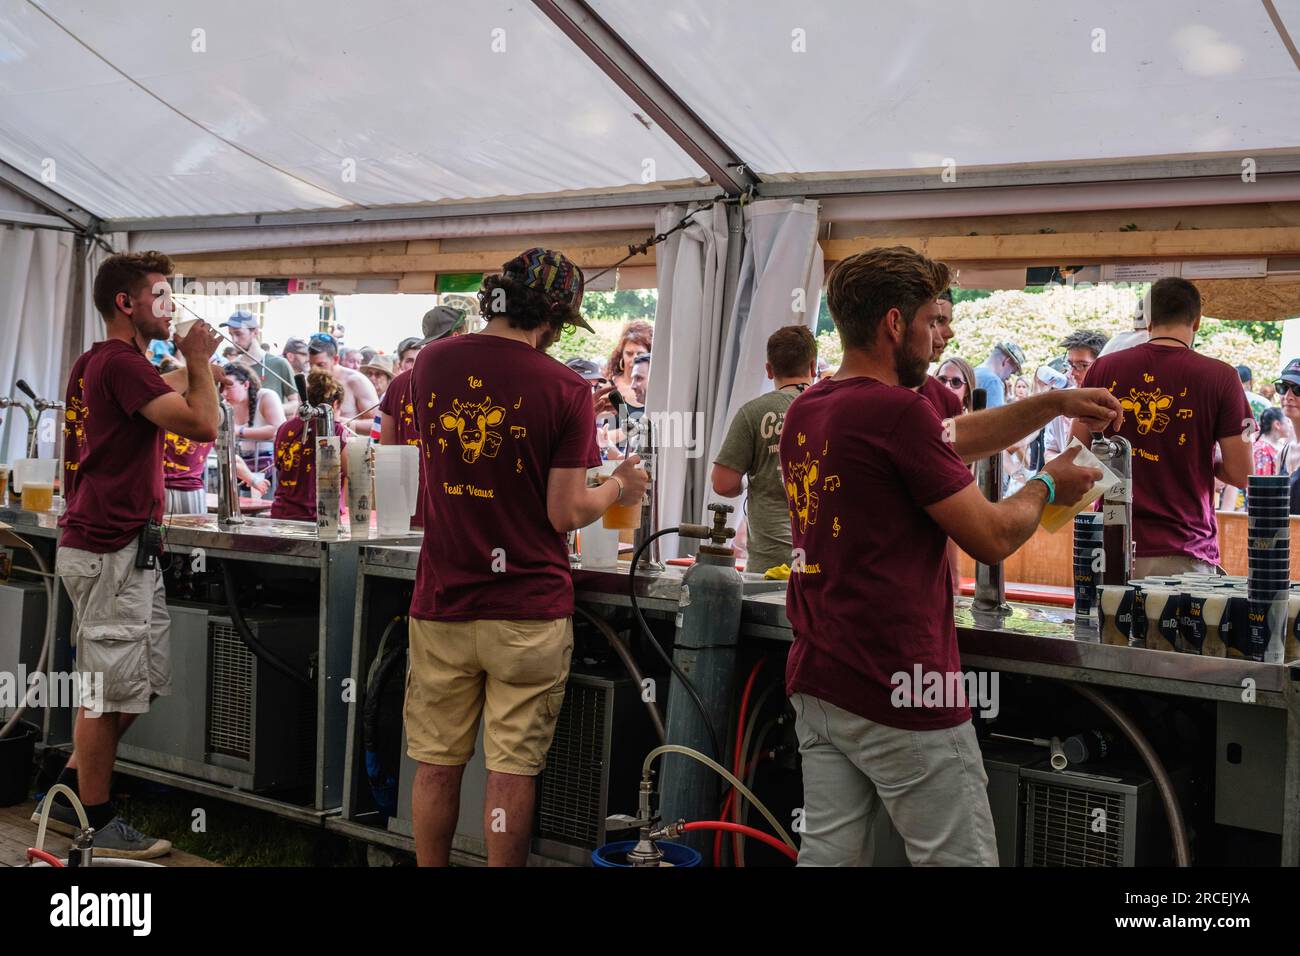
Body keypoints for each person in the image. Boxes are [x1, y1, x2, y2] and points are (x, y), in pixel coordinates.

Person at [780, 246, 1106, 867]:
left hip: (821, 675)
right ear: (895, 324)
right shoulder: (898, 412)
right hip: (903, 679)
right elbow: (990, 537)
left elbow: (952, 437)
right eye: (936, 320)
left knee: (829, 856)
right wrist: (1047, 484)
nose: (948, 333)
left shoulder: (809, 408)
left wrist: (1054, 405)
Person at [405, 247, 647, 867]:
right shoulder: (565, 386)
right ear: (555, 318)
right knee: (509, 772)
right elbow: (565, 512)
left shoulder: (431, 361)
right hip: (527, 611)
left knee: (436, 763)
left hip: (442, 601)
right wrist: (620, 485)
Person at [46, 251, 222, 858]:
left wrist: (195, 369)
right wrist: (198, 362)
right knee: (106, 691)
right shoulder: (119, 363)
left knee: (138, 685)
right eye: (161, 295)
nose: (170, 307)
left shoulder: (108, 362)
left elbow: (167, 392)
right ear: (127, 303)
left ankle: (69, 787)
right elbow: (201, 424)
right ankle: (97, 822)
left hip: (124, 550)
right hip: (108, 549)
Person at [1074, 276, 1253, 577]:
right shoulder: (1222, 377)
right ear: (1196, 321)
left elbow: (1078, 455)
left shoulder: (1103, 368)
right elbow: (1242, 473)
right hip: (1186, 549)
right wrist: (1202, 457)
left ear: (1148, 321)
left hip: (1110, 544)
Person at [712, 326, 817, 575]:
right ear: (813, 367)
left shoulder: (754, 412)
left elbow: (723, 483)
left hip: (771, 560)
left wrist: (751, 482)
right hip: (822, 557)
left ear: (769, 370)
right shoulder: (834, 411)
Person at [380, 307, 468, 530]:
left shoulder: (399, 383)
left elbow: (387, 449)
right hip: (454, 507)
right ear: (458, 334)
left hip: (408, 507)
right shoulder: (470, 382)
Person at [269, 371, 350, 521]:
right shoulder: (336, 430)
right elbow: (353, 471)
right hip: (317, 517)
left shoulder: (284, 428)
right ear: (336, 403)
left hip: (282, 512)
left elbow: (280, 466)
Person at [220, 363, 285, 494]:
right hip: (242, 471)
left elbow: (279, 429)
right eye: (221, 388)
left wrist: (240, 431)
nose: (224, 393)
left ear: (246, 385)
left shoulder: (266, 396)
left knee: (267, 510)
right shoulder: (225, 406)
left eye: (228, 387)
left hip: (272, 470)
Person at [221, 310, 298, 416]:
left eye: (238, 334)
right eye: (231, 334)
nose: (234, 340)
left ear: (255, 332)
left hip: (270, 430)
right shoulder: (230, 368)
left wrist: (268, 409)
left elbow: (295, 403)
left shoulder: (279, 364)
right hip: (238, 430)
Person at [308, 332, 379, 436]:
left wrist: (338, 422)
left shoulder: (356, 381)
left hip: (351, 448)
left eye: (320, 365)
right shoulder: (308, 381)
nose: (314, 370)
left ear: (336, 360)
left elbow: (378, 425)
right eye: (310, 364)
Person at [604, 319, 653, 406]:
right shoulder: (608, 387)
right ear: (621, 354)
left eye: (640, 354)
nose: (634, 358)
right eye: (629, 354)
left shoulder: (658, 388)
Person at [973, 341, 1024, 409]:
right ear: (1006, 361)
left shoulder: (974, 372)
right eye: (1012, 372)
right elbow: (997, 418)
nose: (1008, 377)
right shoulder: (993, 382)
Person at [1254, 406, 1288, 477]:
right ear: (1277, 424)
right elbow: (1261, 484)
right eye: (1287, 421)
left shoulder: (1283, 446)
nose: (1290, 425)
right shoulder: (1261, 450)